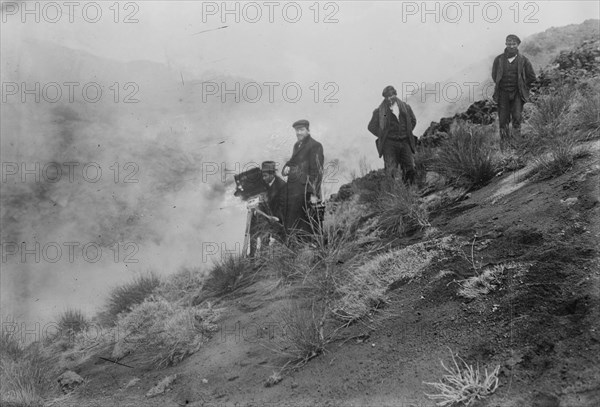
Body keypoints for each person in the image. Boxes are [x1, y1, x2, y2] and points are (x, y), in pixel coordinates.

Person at [492, 34, 536, 151]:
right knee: (503, 121)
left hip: (517, 94)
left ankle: (517, 147)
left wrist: (523, 87)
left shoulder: (524, 60)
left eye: (513, 44)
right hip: (503, 95)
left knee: (517, 118)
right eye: (509, 44)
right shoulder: (499, 60)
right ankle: (505, 149)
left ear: (517, 45)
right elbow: (494, 76)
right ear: (505, 44)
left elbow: (532, 77)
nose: (511, 46)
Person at [282, 119, 324, 237]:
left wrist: (314, 193)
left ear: (308, 130)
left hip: (306, 191)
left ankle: (315, 249)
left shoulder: (315, 145)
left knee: (310, 223)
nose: (298, 133)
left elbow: (317, 172)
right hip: (295, 191)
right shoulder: (297, 145)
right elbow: (292, 161)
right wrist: (286, 167)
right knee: (296, 223)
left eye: (301, 130)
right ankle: (299, 250)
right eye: (297, 130)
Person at [368, 85, 417, 184]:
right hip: (389, 144)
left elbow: (413, 120)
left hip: (405, 142)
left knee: (410, 168)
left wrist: (407, 132)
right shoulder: (379, 111)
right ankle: (393, 195)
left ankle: (409, 191)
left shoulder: (405, 107)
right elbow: (371, 127)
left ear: (395, 94)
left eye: (391, 95)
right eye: (387, 96)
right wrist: (382, 134)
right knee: (391, 171)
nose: (389, 98)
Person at [249, 161, 287, 257]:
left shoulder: (281, 186)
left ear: (272, 174)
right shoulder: (266, 183)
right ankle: (254, 254)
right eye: (263, 176)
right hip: (266, 214)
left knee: (272, 234)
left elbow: (283, 205)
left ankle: (266, 256)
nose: (263, 178)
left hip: (278, 217)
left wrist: (277, 217)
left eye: (265, 176)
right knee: (254, 226)